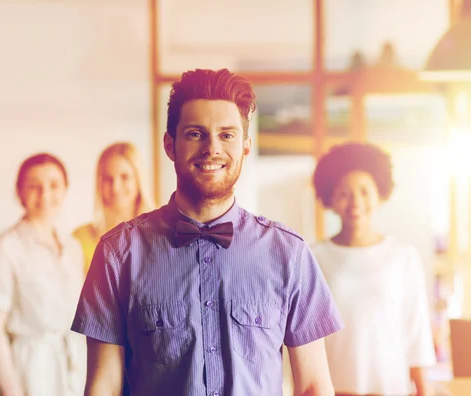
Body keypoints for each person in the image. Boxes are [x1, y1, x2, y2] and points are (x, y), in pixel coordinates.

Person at [71, 68, 343, 395]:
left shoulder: (290, 254)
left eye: (227, 135)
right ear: (170, 145)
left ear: (245, 147)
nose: (211, 148)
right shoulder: (117, 254)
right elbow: (103, 385)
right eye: (196, 134)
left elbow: (314, 385)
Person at [311, 142, 436, 396]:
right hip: (335, 388)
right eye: (344, 193)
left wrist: (424, 389)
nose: (355, 202)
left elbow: (417, 332)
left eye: (364, 191)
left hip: (391, 388)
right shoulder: (314, 257)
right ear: (330, 198)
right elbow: (309, 336)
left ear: (379, 194)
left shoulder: (403, 256)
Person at [0, 153, 86, 396]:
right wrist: (12, 390)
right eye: (34, 186)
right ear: (19, 192)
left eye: (54, 185)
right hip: (30, 373)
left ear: (65, 190)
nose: (44, 195)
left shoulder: (72, 247)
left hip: (73, 368)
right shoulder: (6, 247)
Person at [72, 142, 154, 273]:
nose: (115, 187)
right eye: (108, 179)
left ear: (139, 181)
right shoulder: (80, 239)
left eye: (125, 177)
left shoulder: (161, 236)